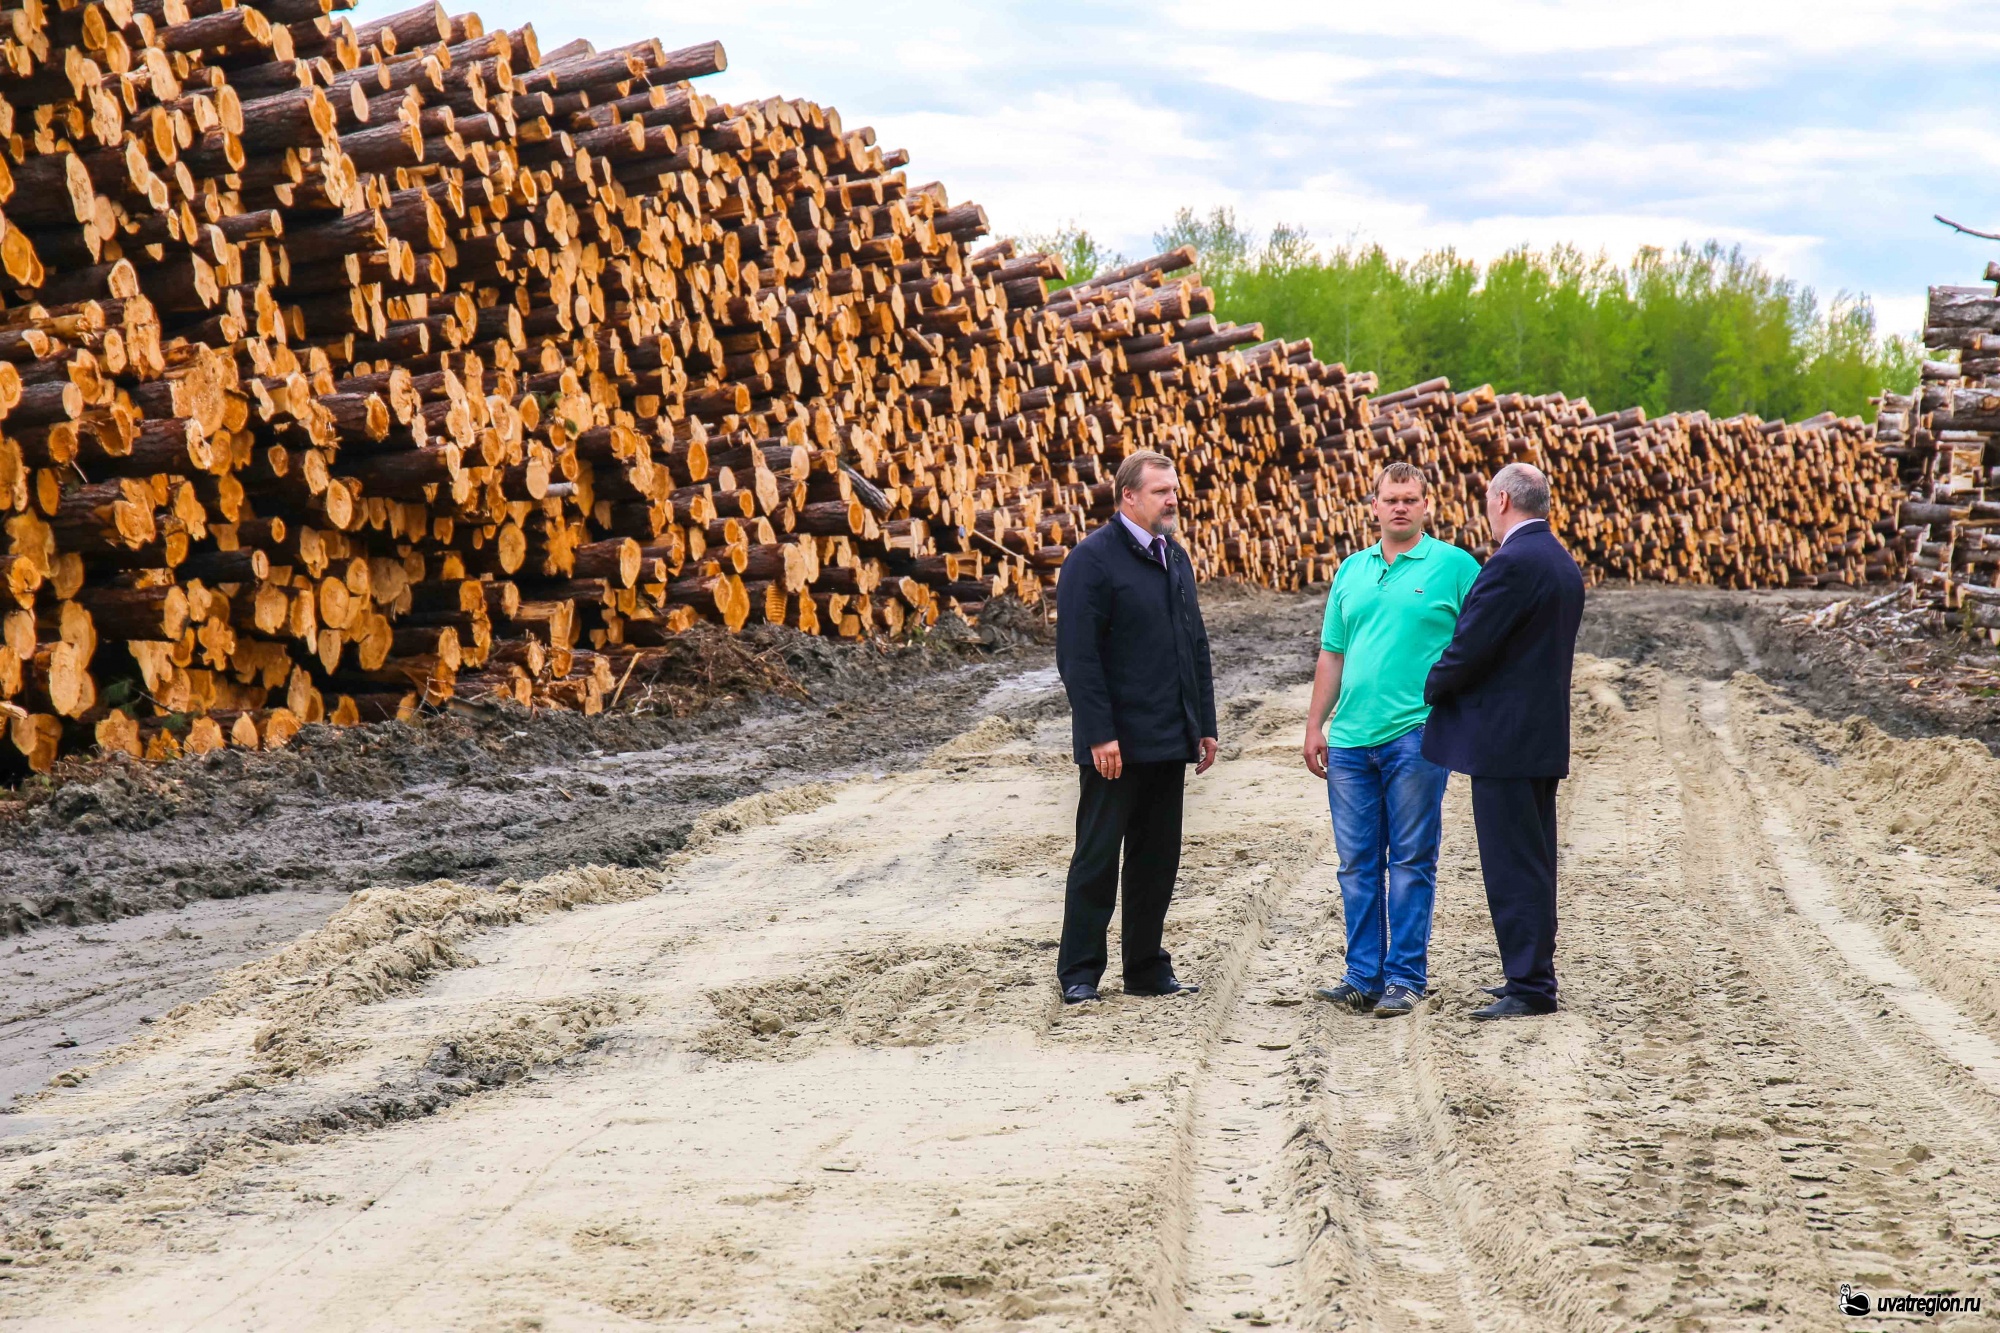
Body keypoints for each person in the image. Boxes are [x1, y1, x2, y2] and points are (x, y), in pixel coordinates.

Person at [1304, 463, 1482, 1018]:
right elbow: (1333, 653)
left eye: (1410, 499)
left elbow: (1482, 644)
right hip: (1352, 741)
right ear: (1374, 506)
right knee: (1356, 864)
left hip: (1417, 735)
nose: (1399, 507)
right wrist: (1316, 724)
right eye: (1390, 499)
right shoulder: (1352, 571)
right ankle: (1362, 975)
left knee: (1409, 862)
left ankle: (1405, 978)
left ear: (1427, 506)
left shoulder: (1456, 567)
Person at [1054, 449, 1219, 1005]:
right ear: (1128, 496)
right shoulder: (1091, 561)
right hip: (1115, 746)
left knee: (1156, 861)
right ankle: (1079, 972)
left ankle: (1146, 968)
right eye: (1160, 491)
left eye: (1173, 490)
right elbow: (1078, 658)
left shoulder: (1173, 556)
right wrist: (1100, 735)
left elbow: (1193, 645)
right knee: (1097, 859)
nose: (1172, 499)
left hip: (1168, 740)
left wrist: (1204, 724)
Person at [1421, 462, 1585, 1019]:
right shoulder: (1559, 560)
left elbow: (1472, 645)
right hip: (1539, 740)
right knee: (1534, 861)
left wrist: (1433, 684)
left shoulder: (1512, 563)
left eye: (1488, 499)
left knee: (1512, 865)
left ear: (1503, 500)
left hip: (1506, 744)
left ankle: (1531, 988)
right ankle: (1533, 974)